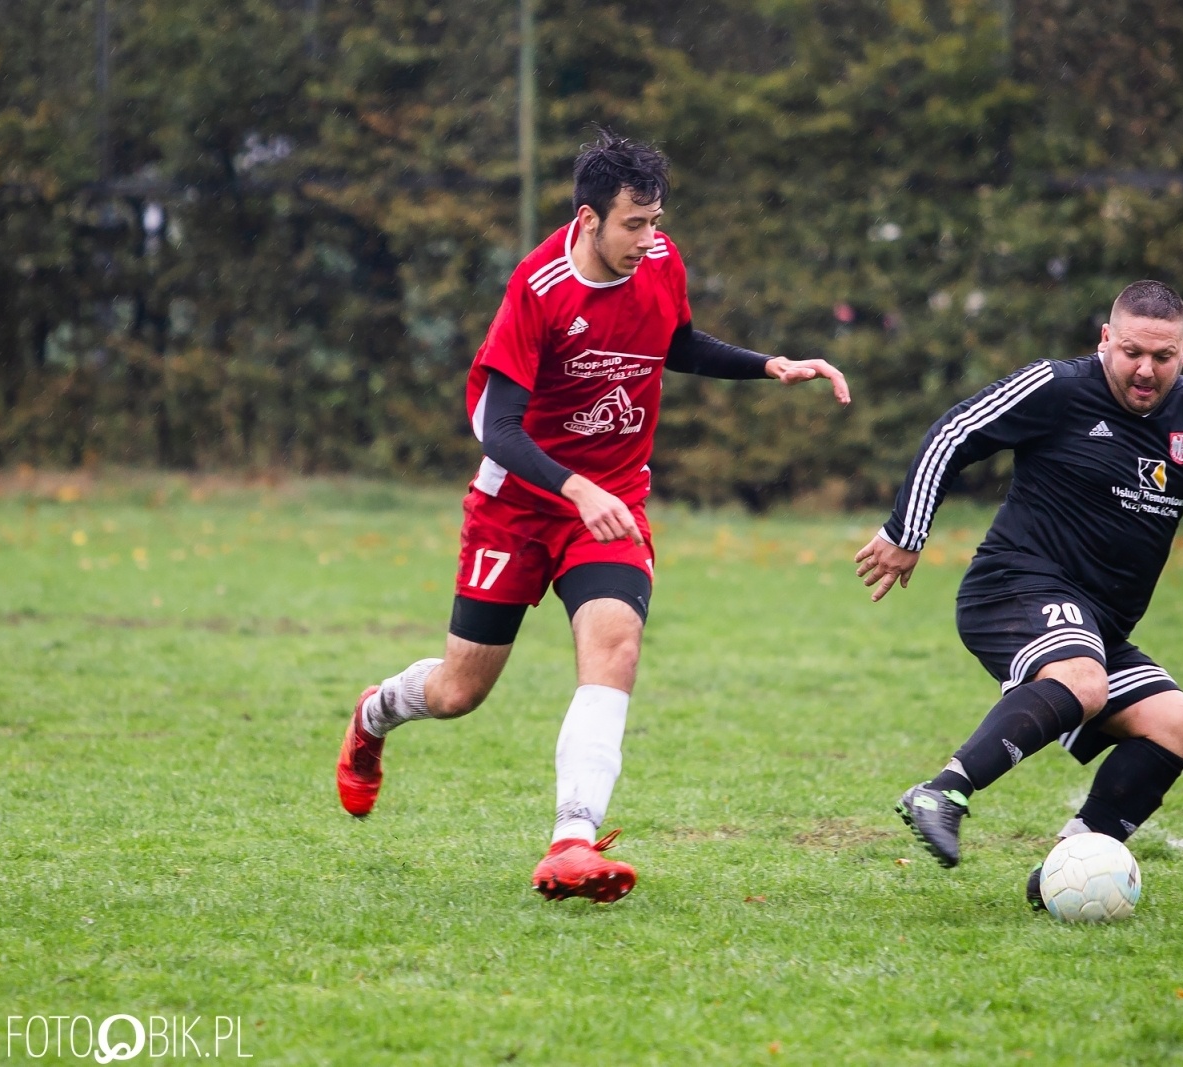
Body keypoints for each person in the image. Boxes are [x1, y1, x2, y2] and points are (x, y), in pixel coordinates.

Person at [336, 130, 849, 903]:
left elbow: (671, 342)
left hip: (611, 503)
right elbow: (496, 427)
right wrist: (574, 487)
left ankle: (571, 839)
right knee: (458, 692)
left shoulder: (661, 261)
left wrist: (766, 364)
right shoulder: (537, 289)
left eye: (656, 220)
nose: (649, 240)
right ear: (586, 219)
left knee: (616, 646)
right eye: (632, 225)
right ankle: (374, 716)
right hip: (517, 506)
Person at [854, 280, 1183, 907]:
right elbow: (954, 433)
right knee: (1084, 680)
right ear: (1105, 339)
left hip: (1099, 624)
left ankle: (1066, 869)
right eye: (1132, 351)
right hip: (1012, 586)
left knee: (1174, 725)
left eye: (1162, 357)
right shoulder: (1057, 388)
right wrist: (906, 531)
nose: (1145, 369)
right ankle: (943, 790)